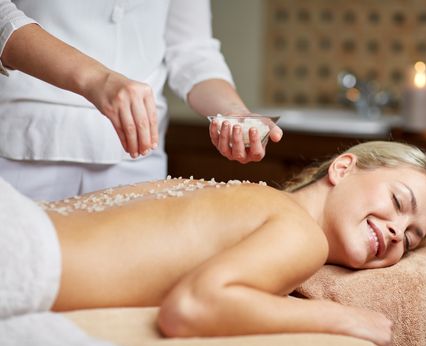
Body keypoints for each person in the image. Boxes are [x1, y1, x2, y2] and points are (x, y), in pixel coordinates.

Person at [0, 141, 426, 346]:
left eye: (411, 239)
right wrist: (351, 319)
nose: (398, 232)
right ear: (342, 169)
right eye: (399, 202)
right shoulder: (301, 234)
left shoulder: (242, 195)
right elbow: (192, 308)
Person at [0, 0, 283, 201]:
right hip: (24, 151)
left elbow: (191, 50)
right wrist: (97, 80)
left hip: (137, 161)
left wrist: (234, 113)